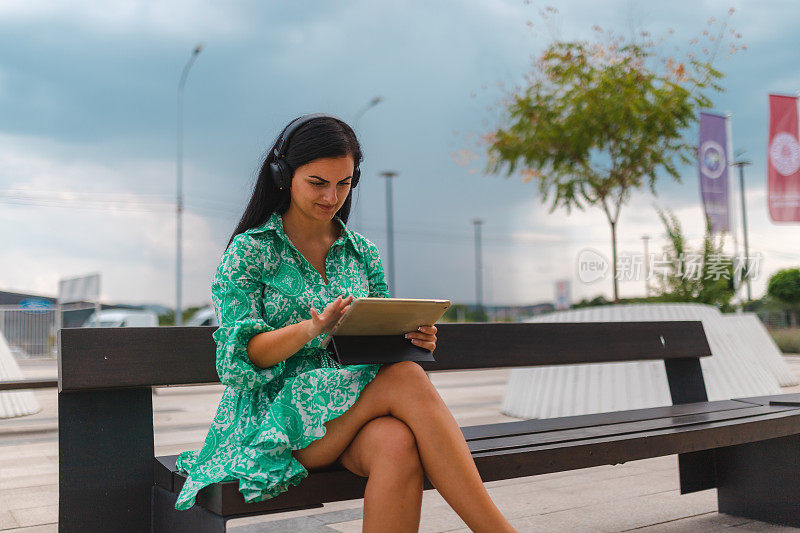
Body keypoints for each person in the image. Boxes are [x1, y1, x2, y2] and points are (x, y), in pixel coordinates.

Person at [174, 113, 516, 532]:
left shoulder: (362, 253)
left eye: (344, 182)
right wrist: (311, 329)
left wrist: (413, 336)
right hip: (280, 416)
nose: (332, 196)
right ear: (284, 175)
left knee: (397, 444)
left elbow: (379, 340)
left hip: (353, 406)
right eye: (318, 182)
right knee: (405, 378)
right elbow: (239, 361)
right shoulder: (251, 252)